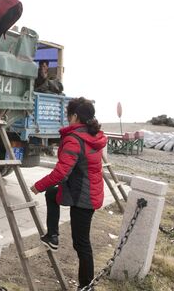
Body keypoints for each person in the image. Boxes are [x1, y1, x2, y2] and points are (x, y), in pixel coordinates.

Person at [30, 97, 107, 290]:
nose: (67, 118)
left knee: (81, 243)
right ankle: (53, 236)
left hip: (84, 196)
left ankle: (86, 286)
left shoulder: (74, 139)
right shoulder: (92, 135)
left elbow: (61, 171)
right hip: (85, 190)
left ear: (74, 116)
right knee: (52, 194)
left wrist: (38, 185)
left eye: (68, 115)